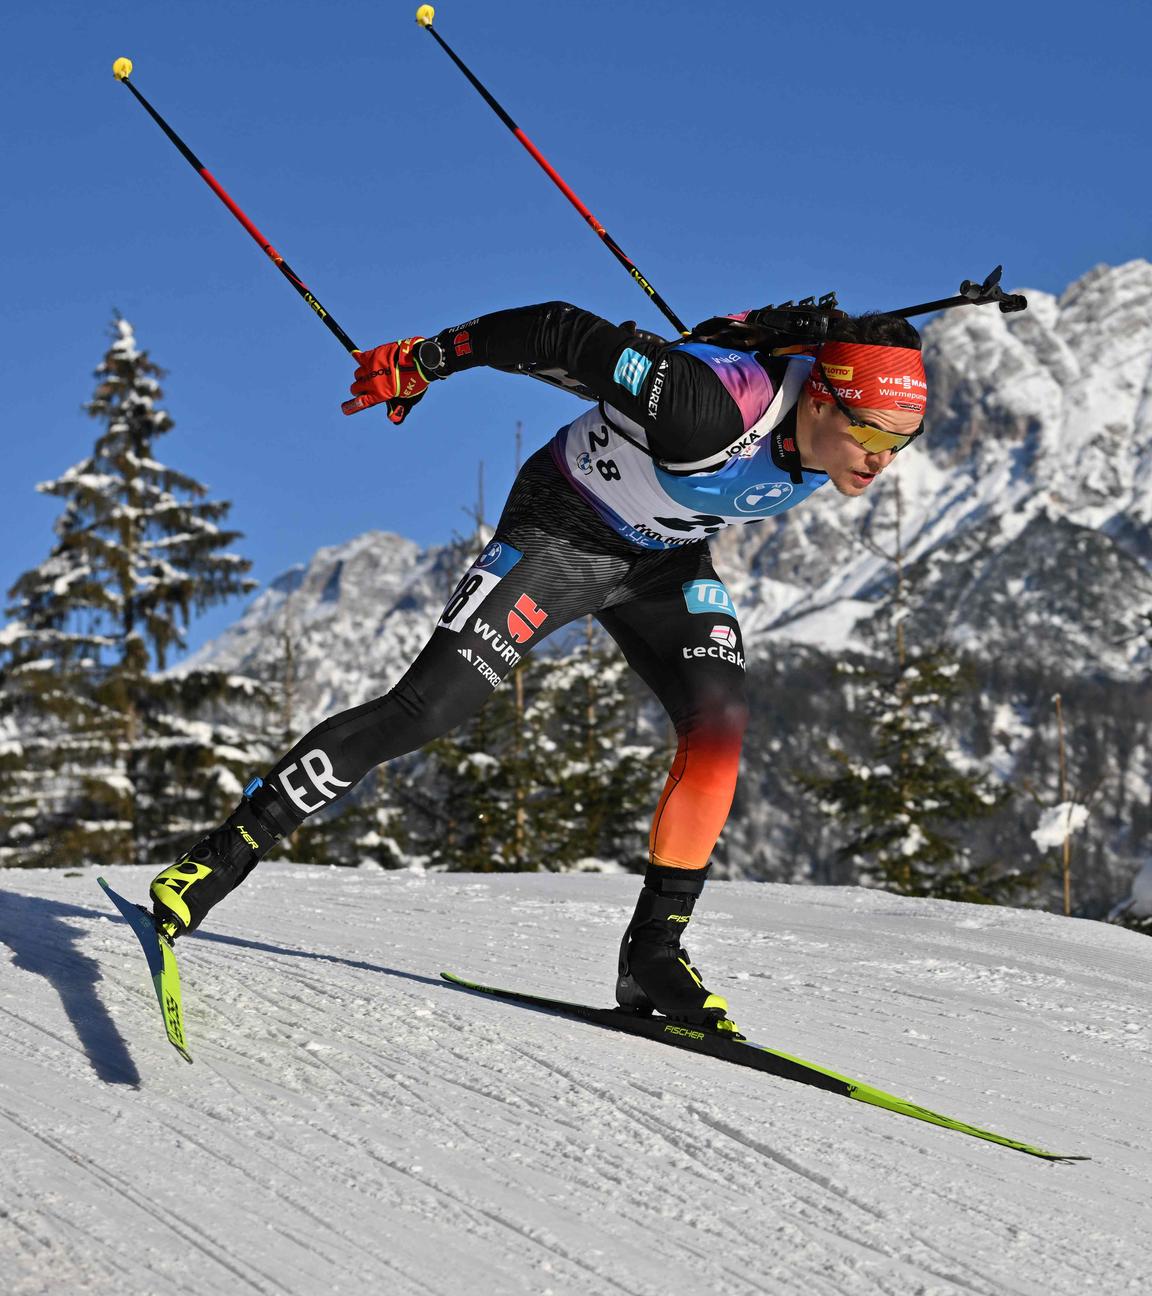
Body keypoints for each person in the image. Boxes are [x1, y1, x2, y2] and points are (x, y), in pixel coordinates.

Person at [149, 301, 927, 1035]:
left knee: (719, 724)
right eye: (875, 436)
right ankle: (218, 857)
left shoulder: (832, 430)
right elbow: (554, 331)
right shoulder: (708, 409)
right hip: (563, 536)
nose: (884, 461)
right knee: (426, 708)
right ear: (820, 402)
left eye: (904, 441)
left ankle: (651, 955)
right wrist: (424, 359)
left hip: (662, 563)